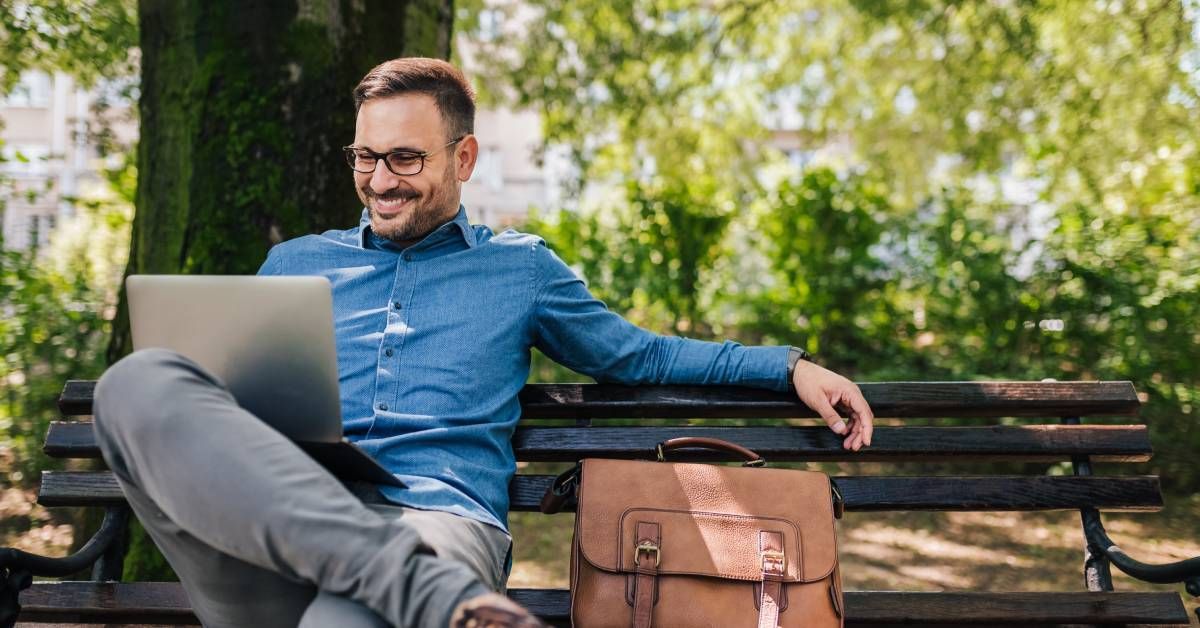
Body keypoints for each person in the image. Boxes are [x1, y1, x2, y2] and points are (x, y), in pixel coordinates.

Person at [93, 57, 874, 628]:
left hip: (431, 523)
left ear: (463, 159)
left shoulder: (519, 270)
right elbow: (220, 422)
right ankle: (405, 583)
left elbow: (645, 357)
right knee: (135, 384)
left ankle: (411, 584)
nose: (379, 179)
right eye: (365, 157)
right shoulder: (294, 262)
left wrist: (791, 367)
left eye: (405, 157)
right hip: (273, 541)